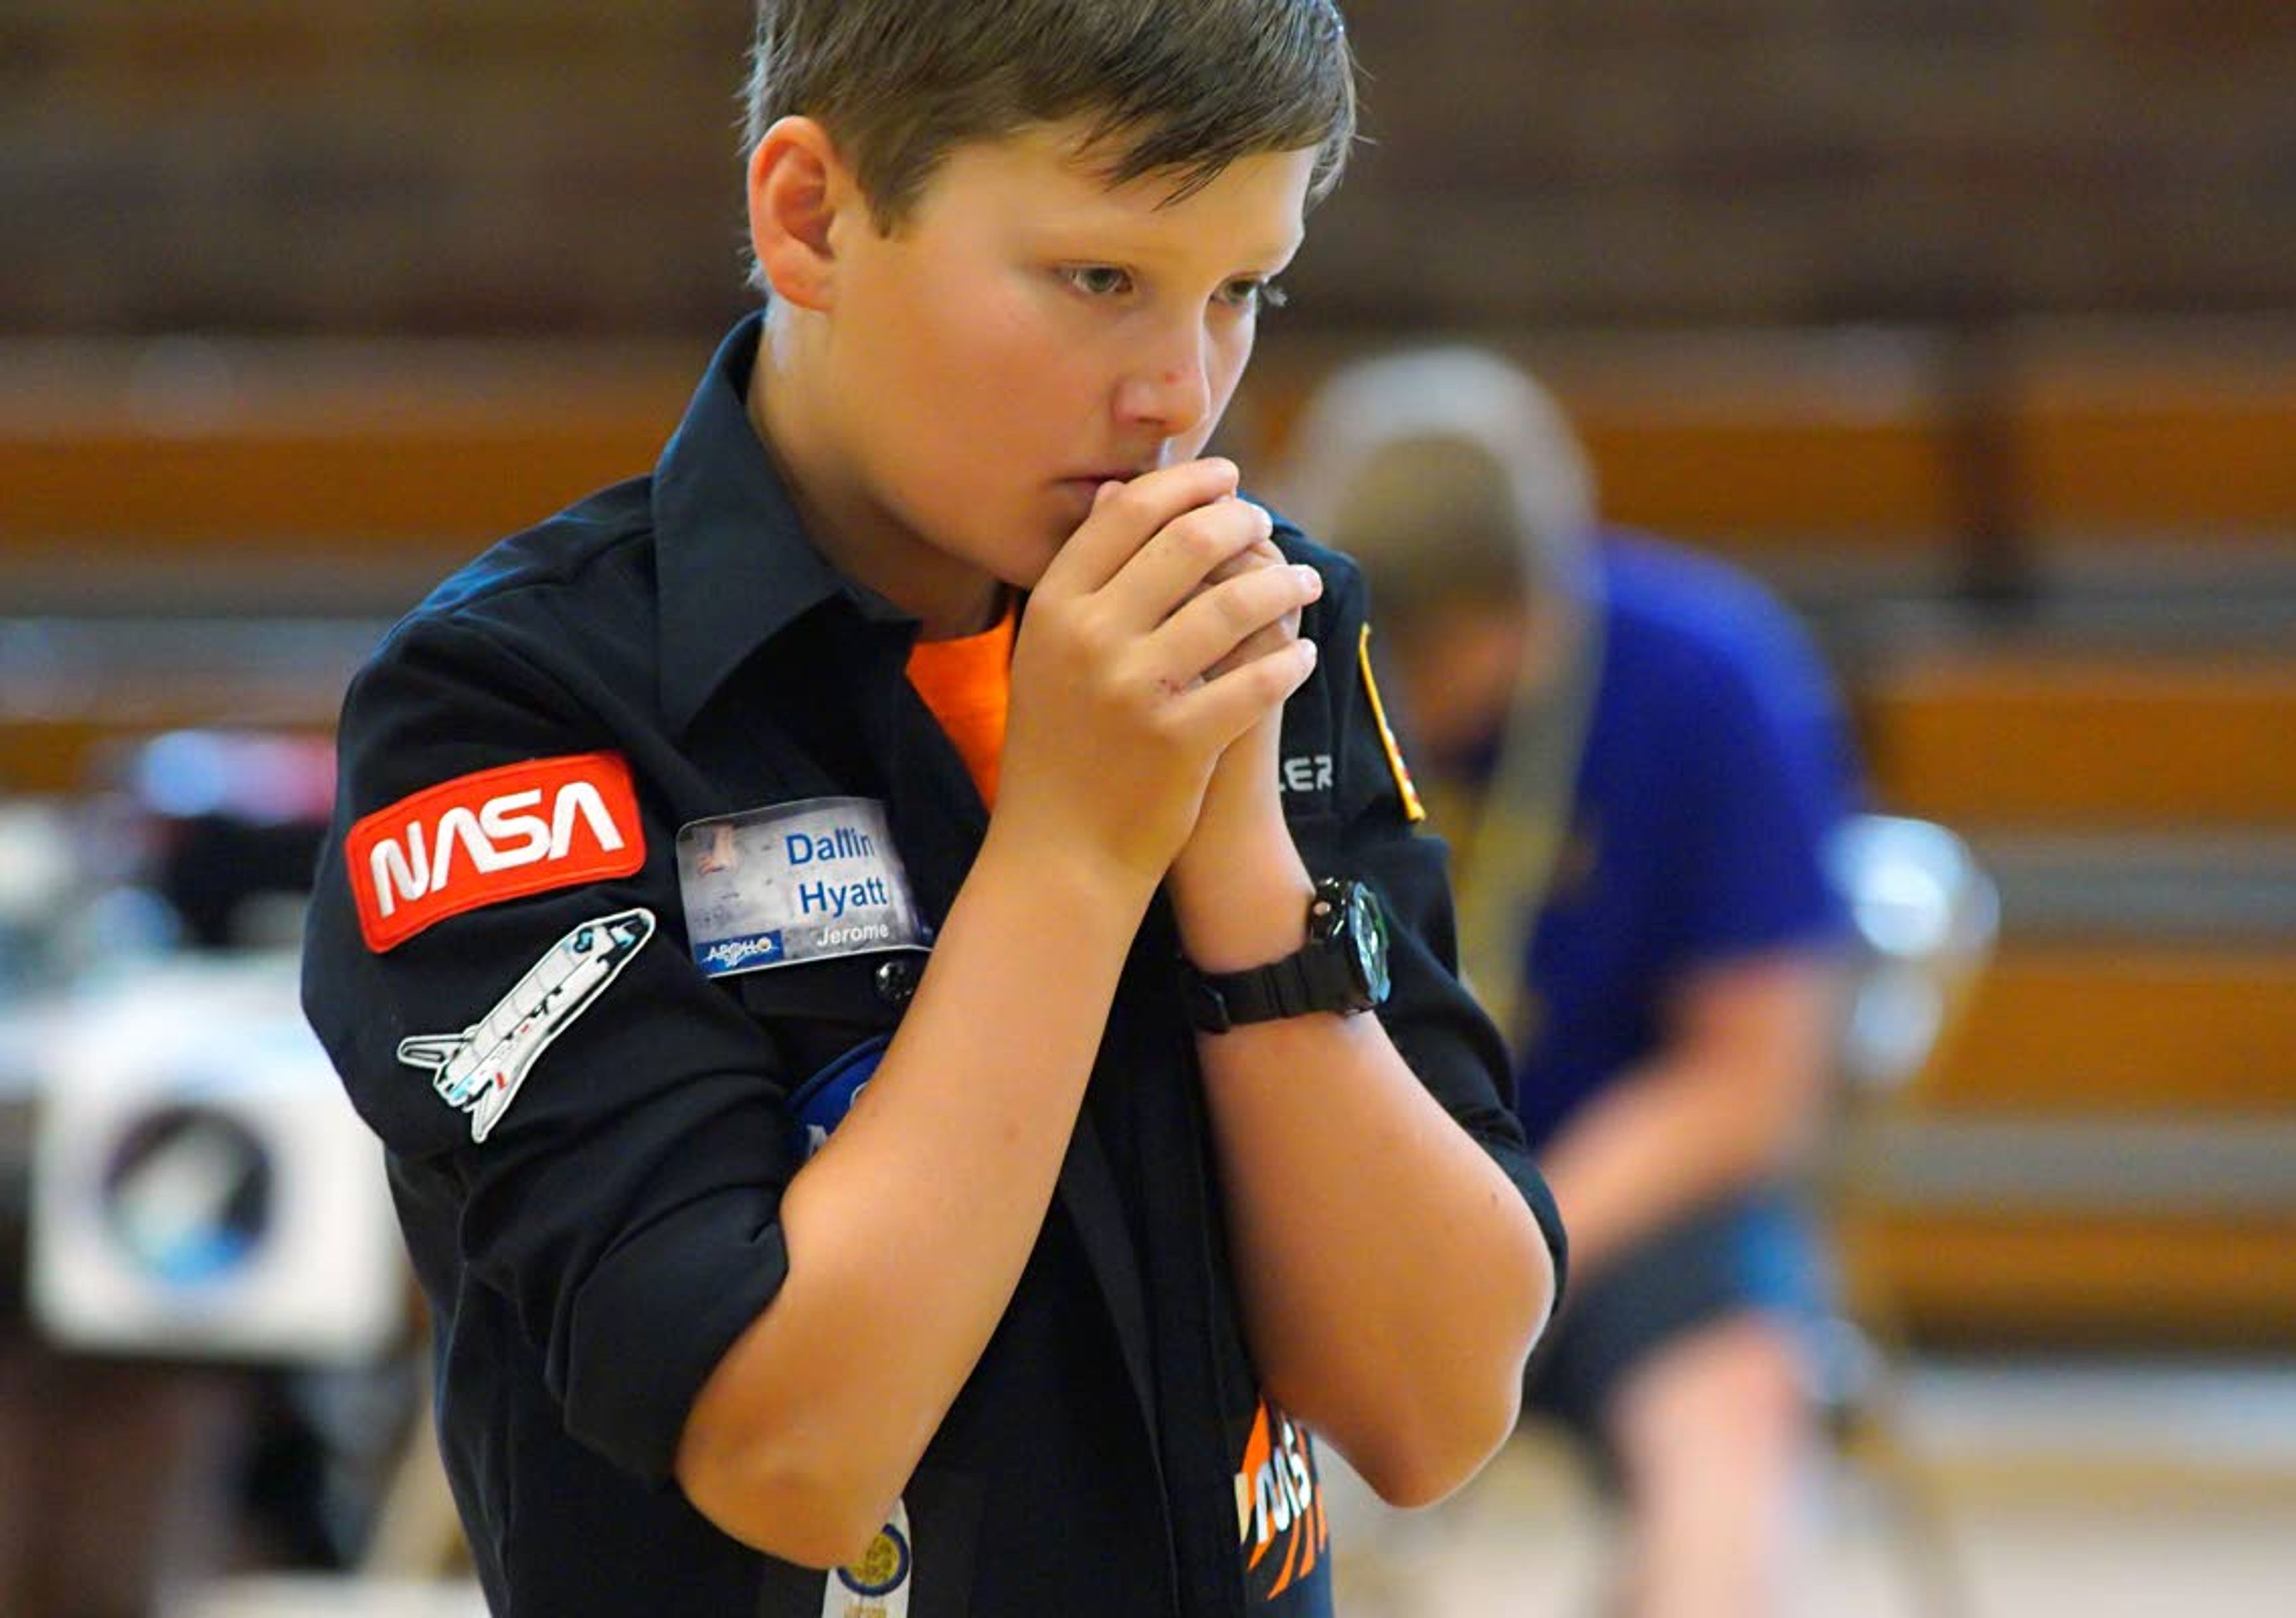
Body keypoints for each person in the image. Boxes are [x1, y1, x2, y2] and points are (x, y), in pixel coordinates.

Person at [297, 6, 1565, 1615]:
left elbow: (1435, 1405)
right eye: (1099, 279)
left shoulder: (1268, 627)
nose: (1178, 394)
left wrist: (1232, 855)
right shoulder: (510, 710)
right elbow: (792, 1454)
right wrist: (1071, 855)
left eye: (1241, 288)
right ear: (811, 217)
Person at [1280, 348, 1858, 1618]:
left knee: (1732, 1405)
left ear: (1541, 606)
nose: (1417, 699)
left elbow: (1753, 1081)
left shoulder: (1711, 679)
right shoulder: (1278, 671)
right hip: (1330, 1181)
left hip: (1619, 1202)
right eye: (1389, 657)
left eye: (1448, 658)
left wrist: (1527, 1238)